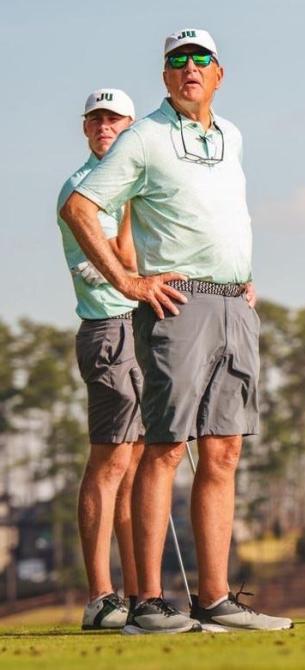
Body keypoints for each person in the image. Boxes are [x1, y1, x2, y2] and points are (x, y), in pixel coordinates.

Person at [60, 28, 289, 634]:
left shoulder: (231, 135)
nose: (189, 68)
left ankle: (214, 600)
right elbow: (80, 208)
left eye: (200, 59)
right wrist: (131, 283)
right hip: (177, 305)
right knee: (163, 448)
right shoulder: (144, 137)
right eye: (177, 61)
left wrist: (243, 277)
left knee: (224, 449)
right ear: (165, 77)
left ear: (218, 73)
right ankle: (147, 602)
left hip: (235, 304)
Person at [57, 88, 142, 630]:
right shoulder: (83, 190)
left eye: (113, 119)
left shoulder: (135, 184)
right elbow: (127, 261)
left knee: (136, 470)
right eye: (96, 120)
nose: (103, 126)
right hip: (109, 330)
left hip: (142, 328)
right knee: (109, 462)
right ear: (86, 130)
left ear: (131, 127)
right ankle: (100, 597)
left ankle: (138, 596)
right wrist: (134, 206)